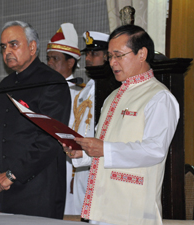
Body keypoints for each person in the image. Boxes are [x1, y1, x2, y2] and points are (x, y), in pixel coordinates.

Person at [64, 24, 179, 225]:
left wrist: (103, 149)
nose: (112, 63)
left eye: (118, 55)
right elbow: (105, 147)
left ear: (141, 54)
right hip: (102, 205)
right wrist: (82, 153)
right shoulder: (112, 97)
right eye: (110, 56)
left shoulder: (159, 97)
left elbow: (155, 150)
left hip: (131, 209)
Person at [0, 20, 71, 219]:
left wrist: (12, 174)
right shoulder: (4, 86)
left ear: (32, 47)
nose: (7, 51)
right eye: (3, 47)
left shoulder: (53, 82)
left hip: (39, 191)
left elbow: (50, 139)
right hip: (3, 191)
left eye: (13, 44)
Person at [70, 31, 109, 215]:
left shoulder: (111, 89)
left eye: (94, 54)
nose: (88, 59)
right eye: (87, 54)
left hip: (101, 163)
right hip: (81, 165)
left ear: (108, 57)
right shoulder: (84, 91)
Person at [46, 22, 82, 215]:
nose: (49, 63)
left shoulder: (82, 93)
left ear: (70, 63)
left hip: (73, 162)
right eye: (48, 58)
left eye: (55, 59)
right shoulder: (42, 91)